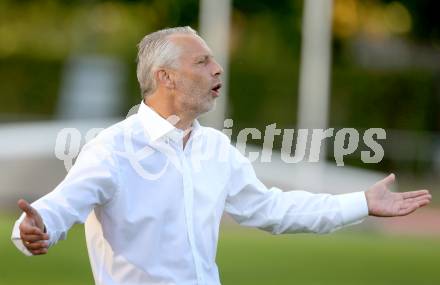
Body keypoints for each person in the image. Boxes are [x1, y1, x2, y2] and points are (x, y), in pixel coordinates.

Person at [11, 26, 432, 285]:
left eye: (215, 60)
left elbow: (272, 209)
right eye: (203, 61)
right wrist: (33, 231)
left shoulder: (215, 147)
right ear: (166, 77)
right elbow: (55, 211)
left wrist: (362, 202)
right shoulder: (112, 150)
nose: (218, 69)